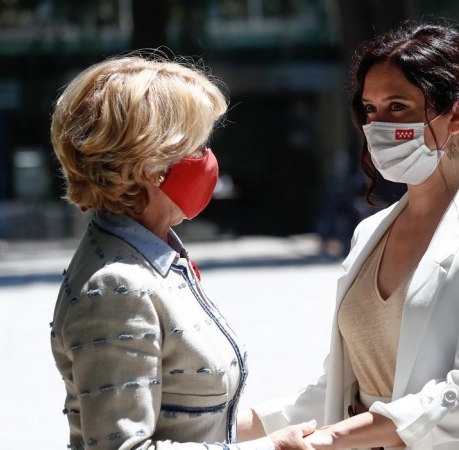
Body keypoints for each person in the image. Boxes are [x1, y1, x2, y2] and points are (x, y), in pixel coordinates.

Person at [237, 23, 459, 449]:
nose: (377, 126)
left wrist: (330, 439)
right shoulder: (369, 233)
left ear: (458, 114)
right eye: (369, 109)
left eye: (397, 107)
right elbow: (339, 390)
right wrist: (230, 425)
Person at [49, 55, 315, 450]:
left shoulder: (150, 257)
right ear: (151, 164)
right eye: (197, 145)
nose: (207, 158)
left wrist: (308, 411)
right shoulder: (115, 286)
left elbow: (191, 421)